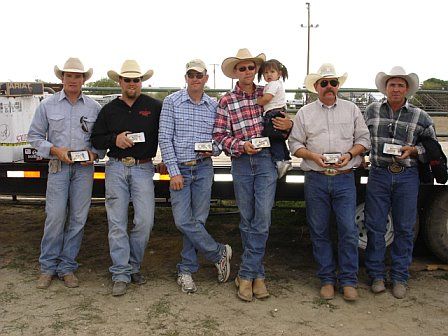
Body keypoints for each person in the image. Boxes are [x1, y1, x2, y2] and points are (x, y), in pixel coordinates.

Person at [213, 48, 293, 302]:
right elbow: (219, 136)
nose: (247, 72)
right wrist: (240, 146)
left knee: (263, 218)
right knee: (248, 219)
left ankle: (246, 274)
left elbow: (281, 125)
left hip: (265, 159)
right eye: (242, 68)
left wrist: (288, 126)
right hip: (242, 161)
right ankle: (257, 275)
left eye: (250, 68)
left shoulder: (268, 92)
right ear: (235, 73)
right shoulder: (226, 100)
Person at [288, 63, 370, 301]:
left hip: (345, 178)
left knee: (348, 229)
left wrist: (351, 154)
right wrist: (313, 156)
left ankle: (348, 281)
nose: (329, 87)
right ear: (316, 87)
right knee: (319, 230)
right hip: (316, 178)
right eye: (324, 83)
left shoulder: (352, 109)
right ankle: (326, 279)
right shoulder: (305, 113)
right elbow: (295, 145)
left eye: (333, 82)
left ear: (338, 85)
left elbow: (364, 139)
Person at [28, 57, 103, 289]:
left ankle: (67, 266)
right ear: (61, 78)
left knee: (78, 218)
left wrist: (94, 153)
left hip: (83, 170)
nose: (73, 80)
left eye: (77, 76)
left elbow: (100, 139)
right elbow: (34, 136)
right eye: (68, 75)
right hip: (58, 167)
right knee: (55, 217)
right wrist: (54, 150)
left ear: (83, 80)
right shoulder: (47, 105)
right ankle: (48, 267)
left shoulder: (94, 107)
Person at [158, 59, 232, 293]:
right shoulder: (172, 102)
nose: (195, 79)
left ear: (206, 78)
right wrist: (174, 171)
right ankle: (218, 252)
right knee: (183, 221)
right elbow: (165, 138)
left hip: (202, 167)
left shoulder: (214, 106)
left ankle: (186, 270)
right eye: (191, 75)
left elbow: (220, 140)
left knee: (197, 222)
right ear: (186, 77)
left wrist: (214, 148)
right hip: (181, 167)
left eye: (199, 75)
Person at [91, 60, 162, 297]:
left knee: (144, 221)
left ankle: (133, 265)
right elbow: (97, 139)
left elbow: (168, 134)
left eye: (136, 79)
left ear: (142, 82)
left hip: (143, 168)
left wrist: (169, 159)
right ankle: (121, 272)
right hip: (116, 168)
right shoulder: (109, 109)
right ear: (120, 82)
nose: (132, 84)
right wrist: (115, 139)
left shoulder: (155, 106)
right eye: (127, 79)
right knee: (117, 223)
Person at [363, 66, 436, 299]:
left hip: (407, 176)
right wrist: (361, 156)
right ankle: (376, 275)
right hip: (379, 173)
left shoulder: (420, 116)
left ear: (407, 89)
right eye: (392, 84)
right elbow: (360, 138)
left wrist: (414, 150)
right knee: (375, 226)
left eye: (400, 85)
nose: (396, 89)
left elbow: (432, 148)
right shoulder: (371, 111)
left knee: (404, 228)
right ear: (386, 88)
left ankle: (400, 277)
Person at [257, 59, 292, 178]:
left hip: (273, 113)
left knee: (272, 139)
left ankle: (279, 160)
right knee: (279, 139)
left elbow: (267, 98)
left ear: (279, 74)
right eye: (265, 73)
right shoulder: (275, 84)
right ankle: (286, 159)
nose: (269, 75)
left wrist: (258, 101)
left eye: (272, 71)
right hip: (278, 112)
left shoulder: (273, 85)